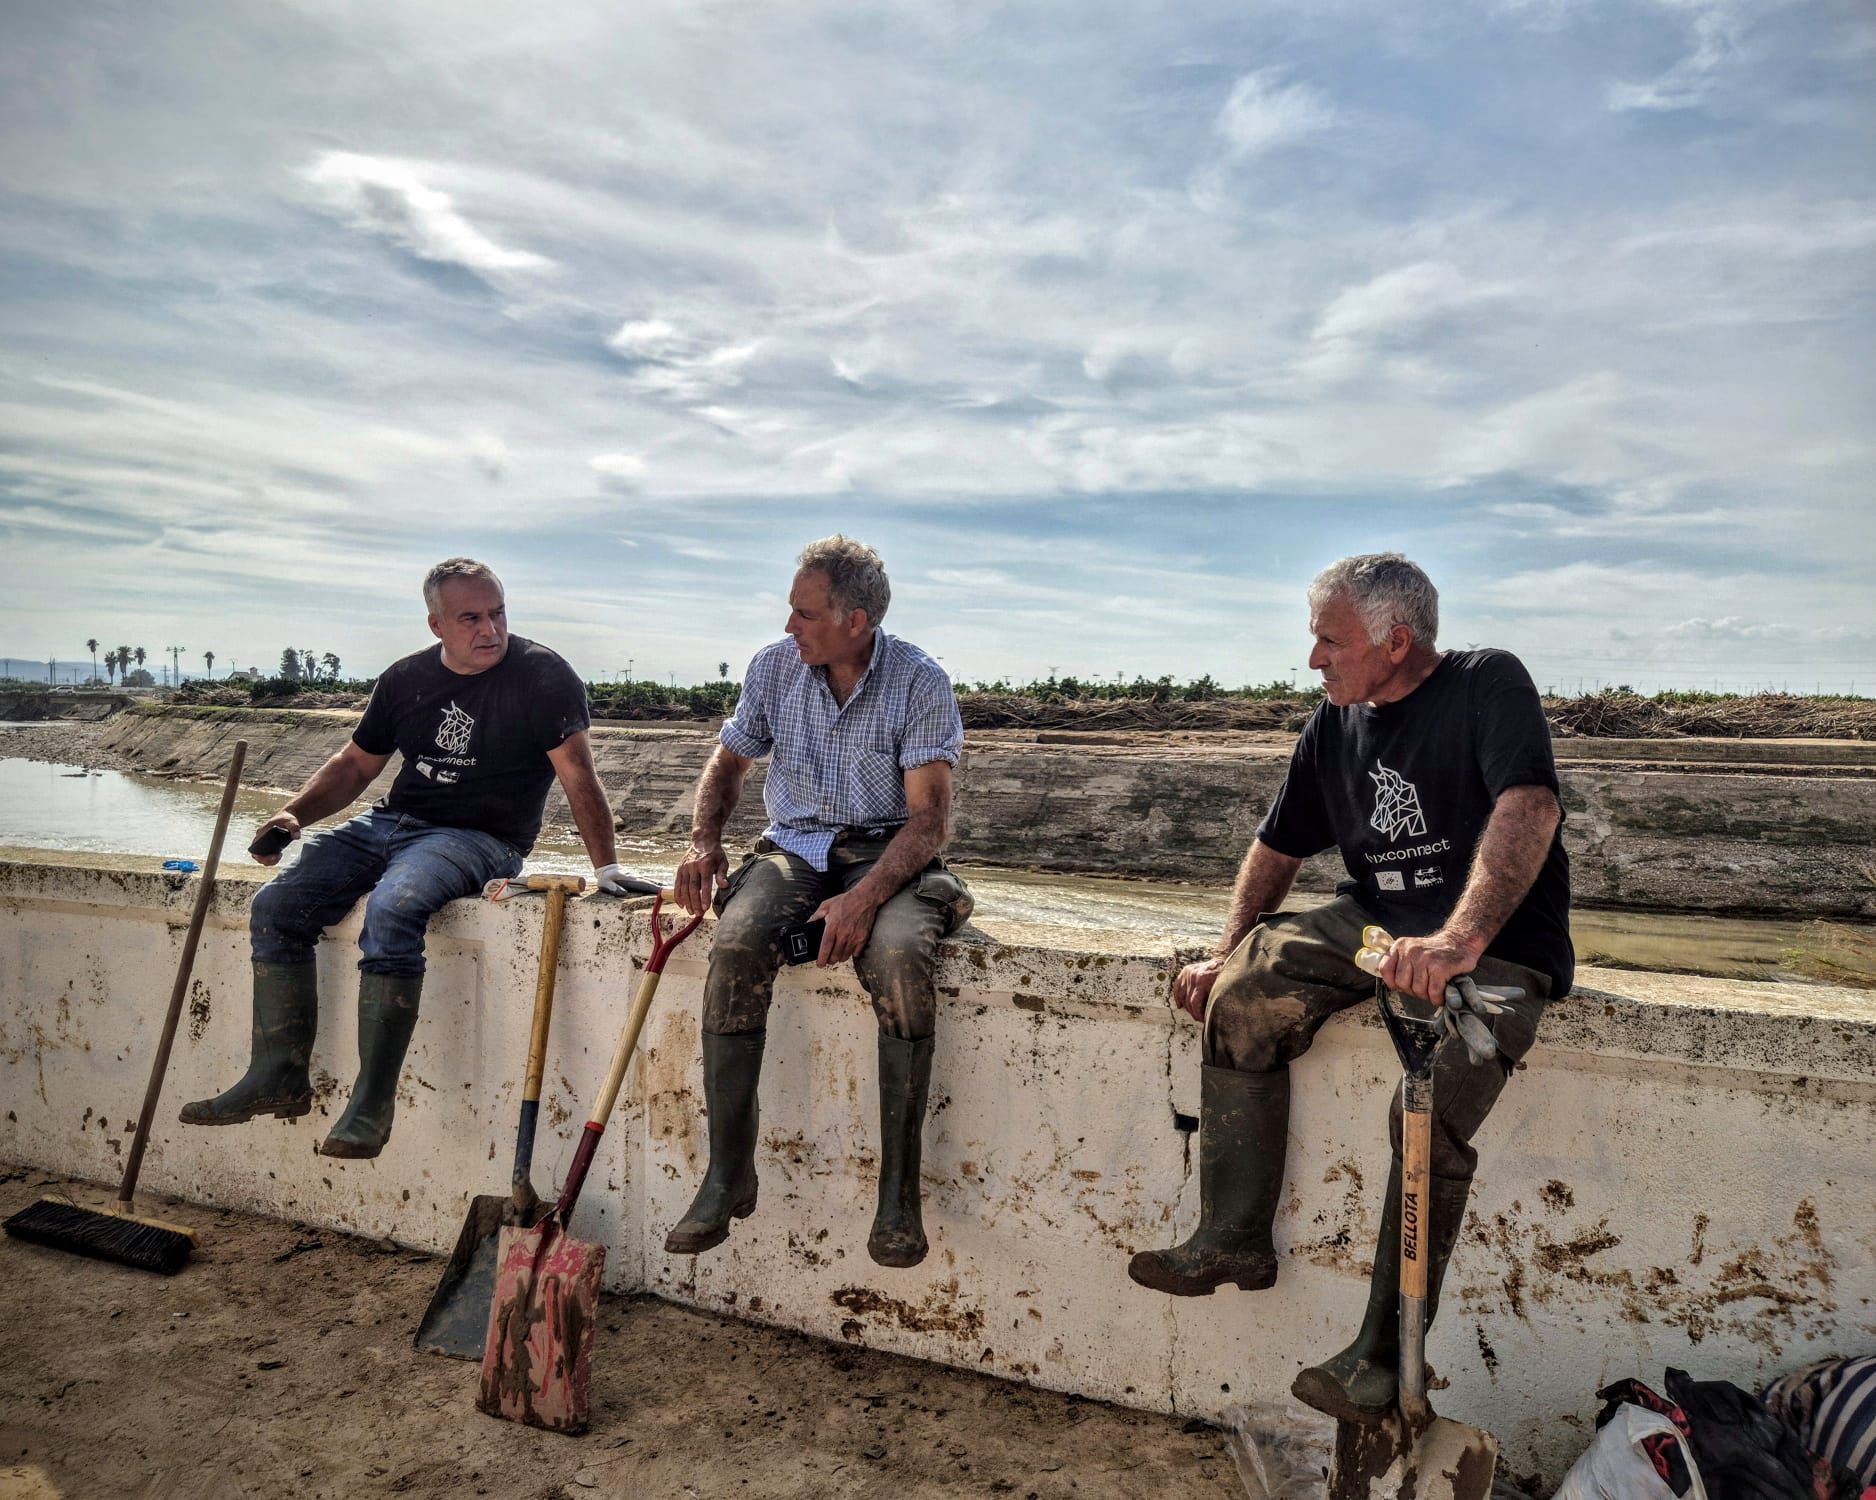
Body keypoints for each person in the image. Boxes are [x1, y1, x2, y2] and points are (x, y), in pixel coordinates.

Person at [1126, 552, 1572, 1424]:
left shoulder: (1487, 683)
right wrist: (1226, 954)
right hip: (1374, 926)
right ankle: (1232, 1237)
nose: (1314, 660)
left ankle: (1379, 1351)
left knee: (1427, 1106)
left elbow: (1531, 808)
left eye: (1330, 640)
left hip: (1497, 949)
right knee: (1245, 994)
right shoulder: (1334, 722)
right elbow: (1279, 847)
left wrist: (1459, 941)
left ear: (1397, 640)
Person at [181, 558, 638, 1159]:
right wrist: (293, 816)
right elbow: (355, 766)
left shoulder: (543, 675)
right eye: (471, 618)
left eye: (497, 613)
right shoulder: (405, 680)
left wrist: (605, 868)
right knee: (277, 906)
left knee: (394, 910)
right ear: (436, 625)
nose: (490, 630)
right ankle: (278, 1076)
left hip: (481, 838)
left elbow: (580, 775)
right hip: (391, 822)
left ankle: (372, 1104)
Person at [668, 535, 973, 1269]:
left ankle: (899, 1197)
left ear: (856, 620)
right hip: (795, 845)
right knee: (738, 942)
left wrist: (863, 900)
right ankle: (727, 1172)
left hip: (887, 852)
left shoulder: (919, 681)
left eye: (805, 614)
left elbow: (929, 822)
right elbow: (730, 758)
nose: (789, 627)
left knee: (899, 957)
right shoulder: (774, 669)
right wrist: (704, 841)